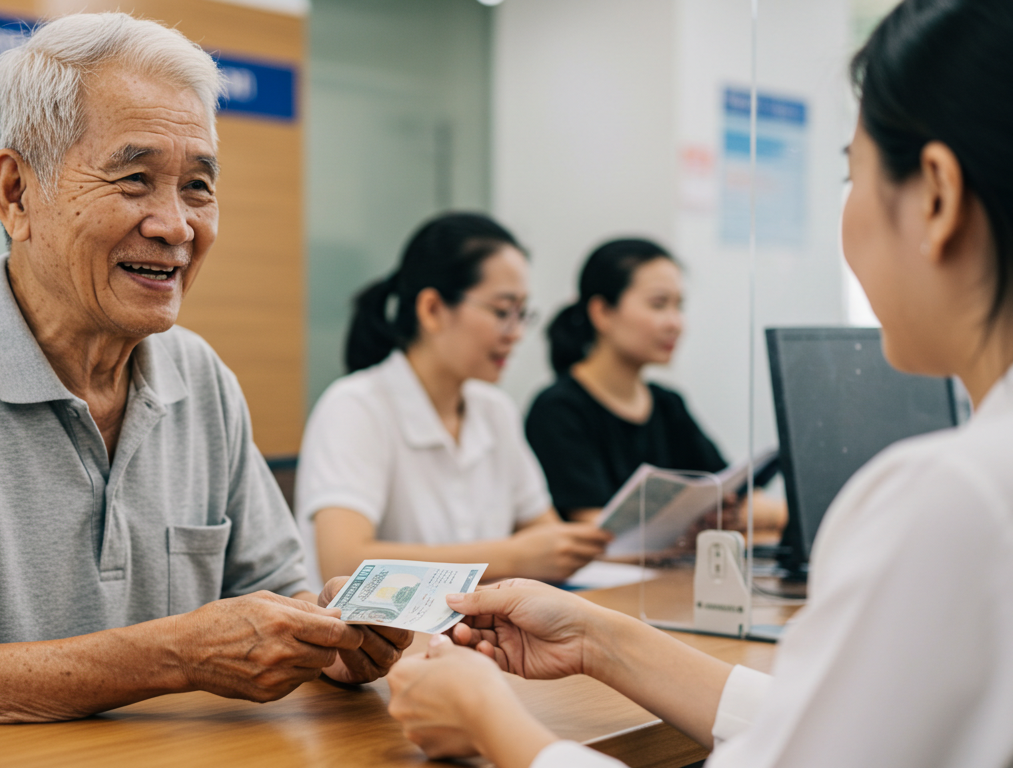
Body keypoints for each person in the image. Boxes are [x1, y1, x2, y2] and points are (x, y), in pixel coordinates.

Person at [385, 1, 1013, 766]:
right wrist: (601, 635)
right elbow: (825, 733)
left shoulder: (953, 496)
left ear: (938, 196)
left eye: (853, 172)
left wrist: (491, 718)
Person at [0, 13, 409, 755]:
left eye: (197, 186)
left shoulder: (202, 378)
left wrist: (328, 641)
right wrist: (178, 653)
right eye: (134, 180)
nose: (176, 225)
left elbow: (274, 592)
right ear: (16, 194)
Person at [295, 213, 611, 590]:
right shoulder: (355, 406)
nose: (516, 333)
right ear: (432, 309)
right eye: (501, 311)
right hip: (385, 644)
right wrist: (512, 556)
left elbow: (546, 539)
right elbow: (343, 562)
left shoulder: (495, 410)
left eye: (522, 313)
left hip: (474, 640)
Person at [527, 238, 785, 531]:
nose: (675, 322)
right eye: (658, 304)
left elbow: (735, 494)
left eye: (679, 306)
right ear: (602, 312)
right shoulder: (558, 409)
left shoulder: (667, 404)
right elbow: (593, 528)